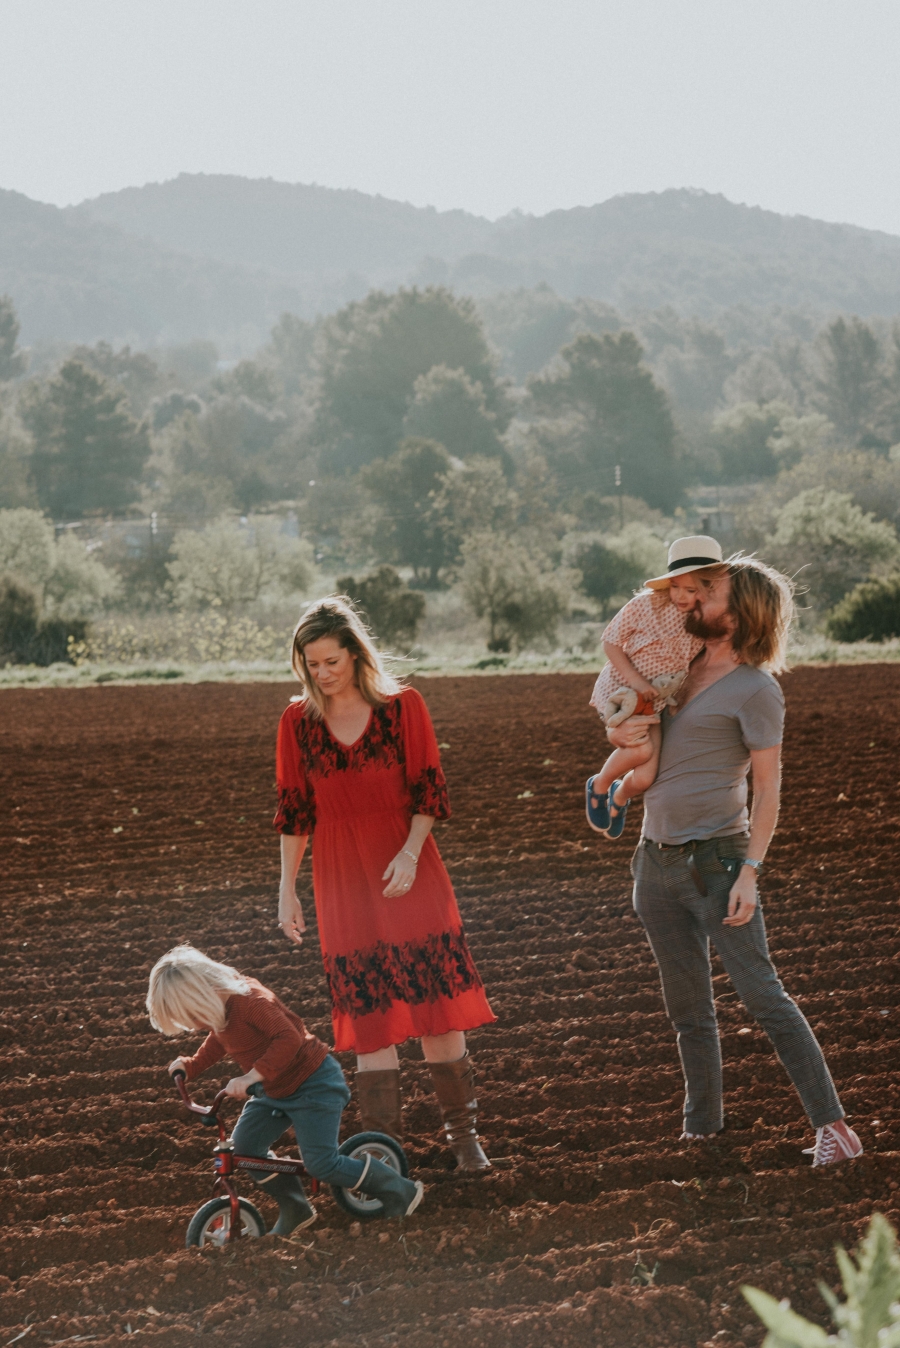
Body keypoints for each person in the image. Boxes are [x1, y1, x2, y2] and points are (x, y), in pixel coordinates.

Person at [608, 554, 863, 1167]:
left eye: (707, 592)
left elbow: (769, 789)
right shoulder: (679, 668)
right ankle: (702, 1129)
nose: (690, 600)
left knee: (763, 998)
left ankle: (836, 1130)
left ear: (741, 611)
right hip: (655, 863)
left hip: (719, 865)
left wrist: (750, 871)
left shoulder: (756, 689)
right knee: (687, 1011)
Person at [274, 596, 495, 1173]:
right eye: (310, 664)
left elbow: (430, 790)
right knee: (370, 1012)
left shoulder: (402, 708)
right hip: (341, 878)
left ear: (355, 654)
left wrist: (410, 851)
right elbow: (295, 813)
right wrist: (286, 890)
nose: (321, 674)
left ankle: (464, 1139)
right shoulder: (297, 723)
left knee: (437, 1003)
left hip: (408, 868)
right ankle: (386, 1153)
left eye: (330, 662)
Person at [147, 944, 424, 1231]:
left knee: (321, 1164)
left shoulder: (251, 1001)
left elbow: (288, 1038)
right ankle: (295, 1208)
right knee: (246, 1149)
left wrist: (252, 1076)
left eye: (192, 1017)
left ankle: (400, 1189)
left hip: (314, 1083)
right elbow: (221, 1039)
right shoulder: (221, 1011)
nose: (194, 1027)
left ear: (204, 994)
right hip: (274, 1091)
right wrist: (190, 1066)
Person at [585, 535, 718, 839]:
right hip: (623, 692)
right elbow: (610, 642)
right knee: (640, 748)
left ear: (709, 588)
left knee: (645, 776)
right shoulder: (646, 605)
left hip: (655, 701)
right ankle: (600, 786)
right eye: (675, 586)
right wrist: (636, 681)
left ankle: (619, 797)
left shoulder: (704, 621)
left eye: (691, 589)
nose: (681, 596)